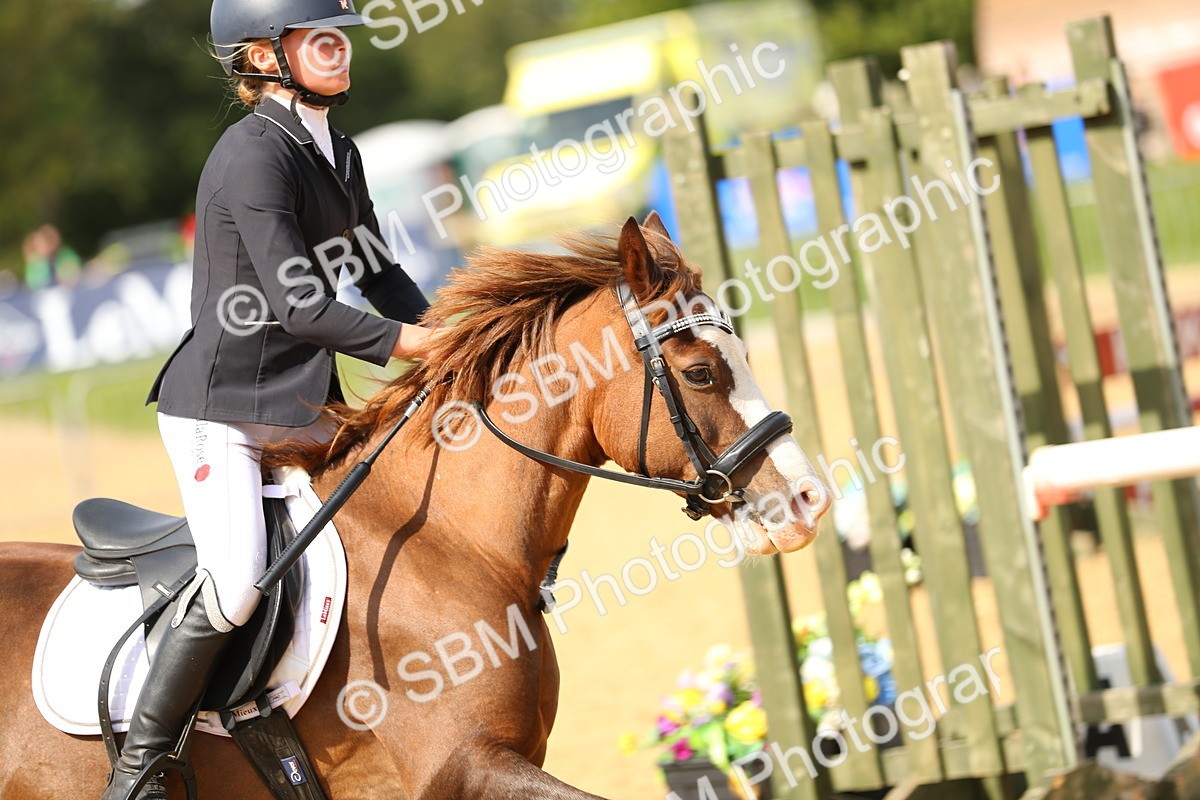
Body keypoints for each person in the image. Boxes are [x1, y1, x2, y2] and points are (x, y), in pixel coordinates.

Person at [104, 1, 440, 797]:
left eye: (340, 37)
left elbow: (379, 274)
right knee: (238, 583)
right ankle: (140, 766)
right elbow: (297, 305)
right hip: (221, 408)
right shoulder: (252, 154)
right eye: (317, 38)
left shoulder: (338, 151)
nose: (338, 49)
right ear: (262, 55)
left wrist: (452, 330)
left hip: (301, 405)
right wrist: (410, 345)